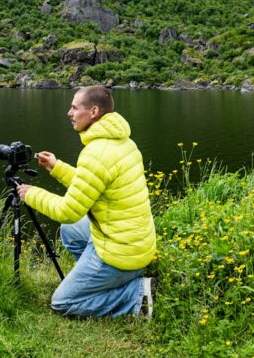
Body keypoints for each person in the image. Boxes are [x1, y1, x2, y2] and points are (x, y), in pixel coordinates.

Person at [16, 85, 157, 318]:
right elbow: (92, 185)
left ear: (93, 112)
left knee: (62, 303)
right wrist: (57, 168)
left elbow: (68, 210)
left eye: (74, 107)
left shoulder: (96, 152)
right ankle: (100, 281)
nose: (69, 113)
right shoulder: (123, 142)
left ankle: (136, 295)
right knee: (71, 230)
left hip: (122, 254)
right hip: (135, 244)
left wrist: (31, 194)